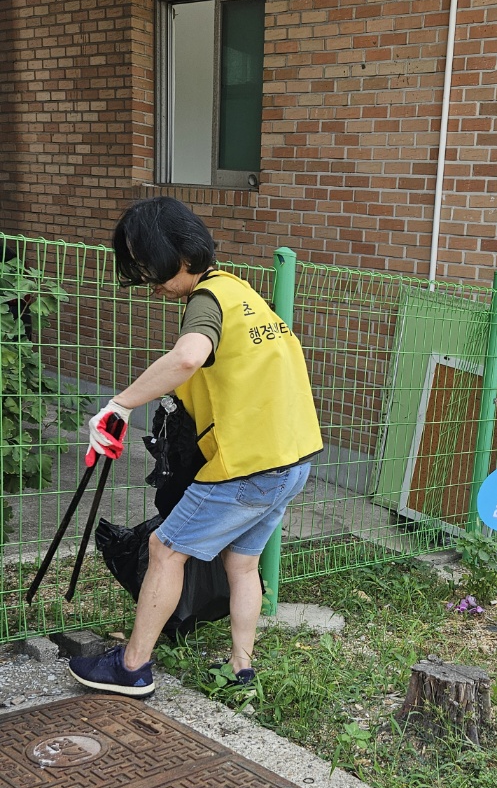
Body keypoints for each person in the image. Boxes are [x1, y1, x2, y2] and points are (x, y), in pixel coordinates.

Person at [68, 197, 322, 699]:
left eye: (147, 262)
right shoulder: (244, 295)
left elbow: (187, 358)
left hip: (249, 466)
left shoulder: (207, 300)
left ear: (180, 252)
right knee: (243, 563)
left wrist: (118, 404)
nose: (147, 278)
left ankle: (132, 667)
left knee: (166, 549)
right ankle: (241, 670)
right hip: (295, 459)